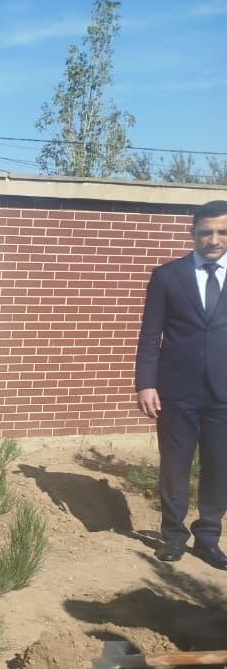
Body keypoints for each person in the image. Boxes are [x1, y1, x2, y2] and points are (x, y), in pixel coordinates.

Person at [135, 200, 227, 570]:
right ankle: (173, 536)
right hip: (176, 390)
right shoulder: (167, 276)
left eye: (221, 232)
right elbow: (149, 334)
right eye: (206, 232)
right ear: (192, 234)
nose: (213, 239)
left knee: (220, 466)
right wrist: (146, 383)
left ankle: (208, 537)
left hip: (224, 393)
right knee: (175, 465)